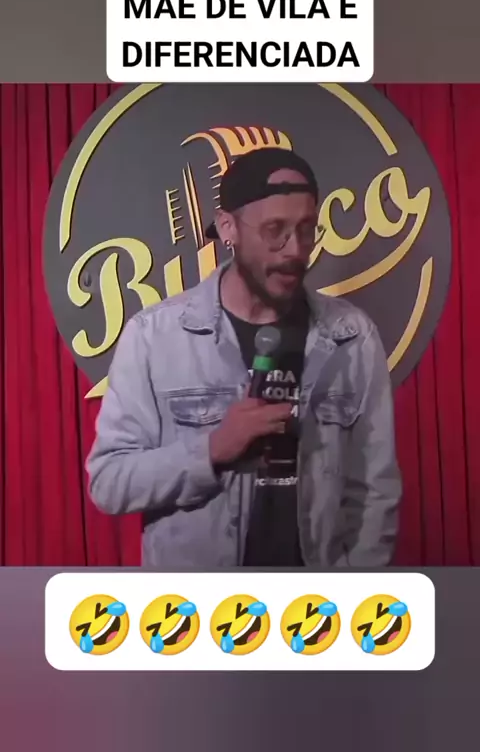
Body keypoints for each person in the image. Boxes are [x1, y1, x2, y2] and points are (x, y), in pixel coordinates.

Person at [86, 147, 402, 568]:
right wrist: (212, 449)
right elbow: (109, 483)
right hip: (196, 604)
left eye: (306, 229)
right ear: (228, 228)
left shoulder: (352, 336)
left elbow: (375, 490)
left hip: (315, 602)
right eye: (275, 230)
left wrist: (351, 589)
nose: (295, 250)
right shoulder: (153, 337)